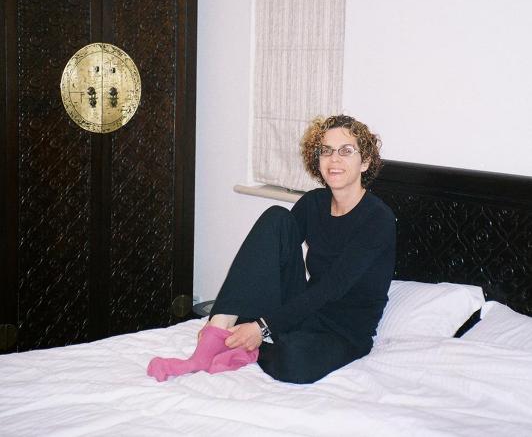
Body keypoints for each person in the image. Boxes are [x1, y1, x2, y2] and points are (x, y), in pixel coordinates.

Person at [147, 114, 396, 384]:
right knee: (276, 217)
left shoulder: (378, 219)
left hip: (344, 330)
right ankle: (214, 336)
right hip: (307, 310)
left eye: (346, 151)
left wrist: (262, 327)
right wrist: (230, 317)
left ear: (365, 161)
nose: (334, 159)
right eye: (326, 151)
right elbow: (271, 248)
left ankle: (248, 347)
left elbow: (332, 287)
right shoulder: (314, 203)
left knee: (294, 362)